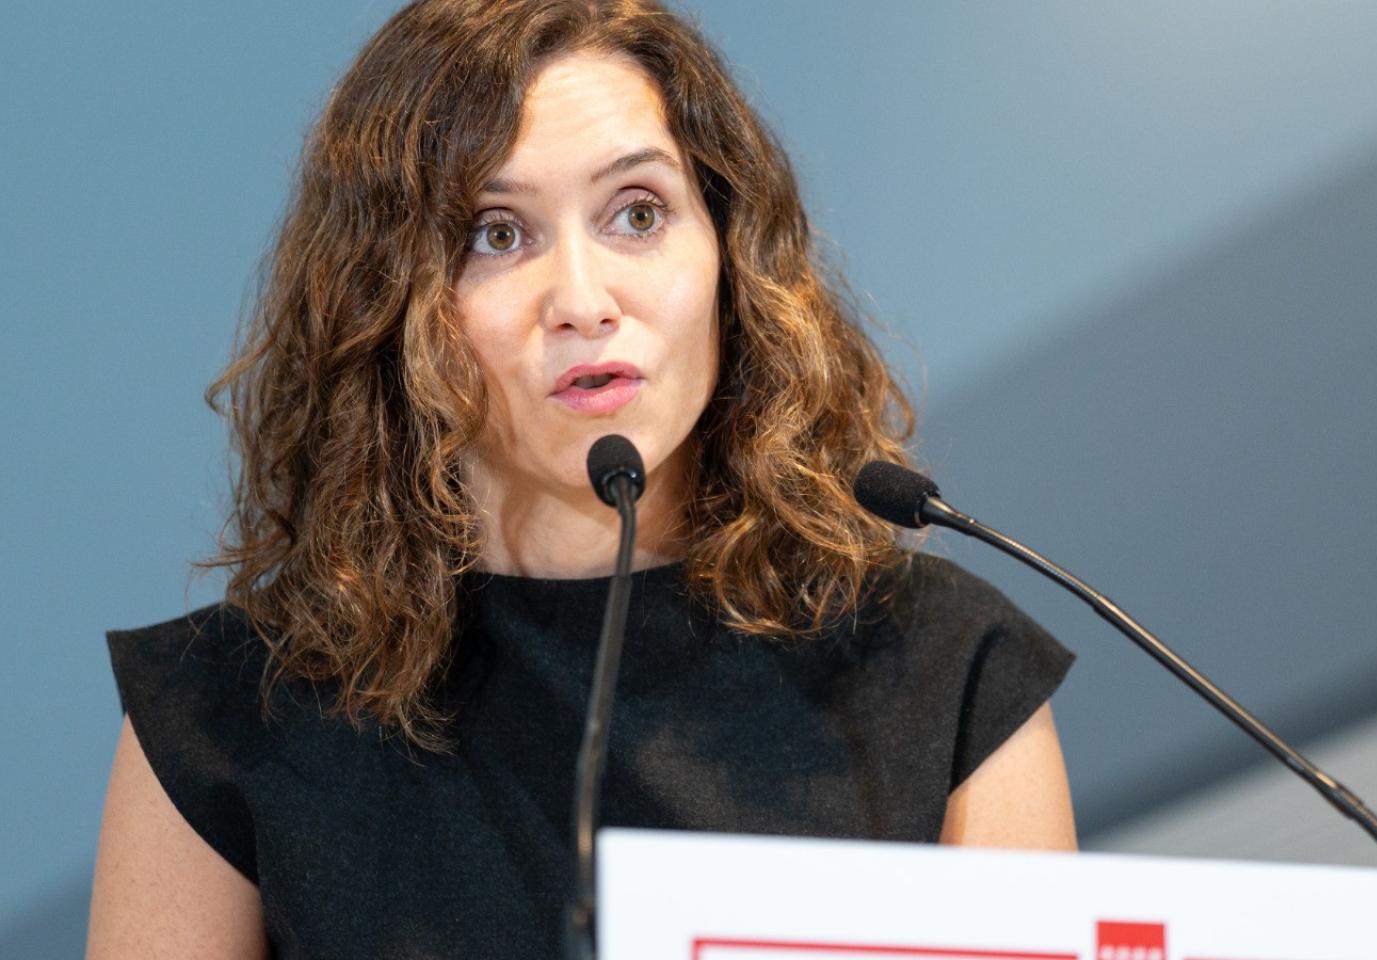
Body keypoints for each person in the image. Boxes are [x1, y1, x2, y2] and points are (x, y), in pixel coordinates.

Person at [87, 1, 1075, 956]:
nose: (582, 299)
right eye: (496, 233)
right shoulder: (224, 719)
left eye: (637, 214)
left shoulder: (943, 671)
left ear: (731, 254)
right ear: (385, 302)